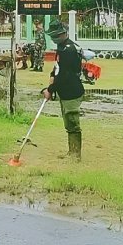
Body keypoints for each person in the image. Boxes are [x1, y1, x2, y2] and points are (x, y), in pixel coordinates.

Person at [41, 20, 84, 161]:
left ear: (63, 33)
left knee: (72, 122)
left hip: (71, 91)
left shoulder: (69, 50)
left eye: (56, 35)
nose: (53, 39)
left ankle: (75, 155)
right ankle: (71, 152)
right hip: (64, 91)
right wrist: (51, 81)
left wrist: (50, 89)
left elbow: (64, 74)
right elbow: (57, 69)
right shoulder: (61, 47)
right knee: (68, 124)